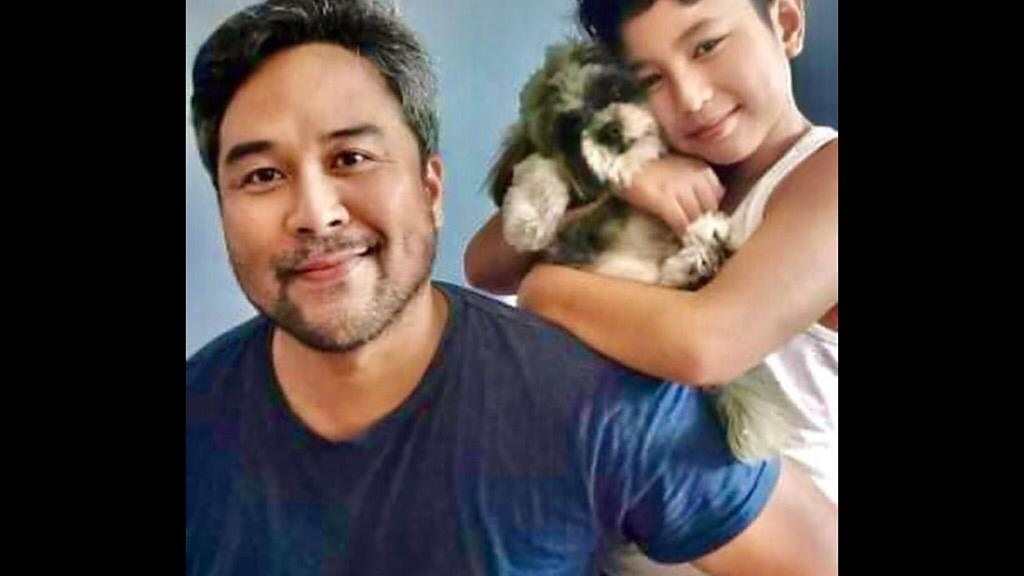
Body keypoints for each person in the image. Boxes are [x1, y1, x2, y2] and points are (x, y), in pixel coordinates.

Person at [186, 1, 838, 574]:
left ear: (786, 21)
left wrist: (548, 290)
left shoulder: (821, 178)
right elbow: (488, 259)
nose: (689, 97)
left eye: (708, 45)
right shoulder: (674, 174)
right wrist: (620, 176)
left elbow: (707, 345)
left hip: (760, 506)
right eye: (649, 80)